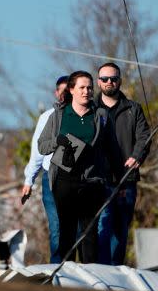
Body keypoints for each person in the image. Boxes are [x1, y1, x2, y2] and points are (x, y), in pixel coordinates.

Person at [37, 71, 119, 264]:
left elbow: (111, 148)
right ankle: (65, 276)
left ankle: (88, 281)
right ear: (71, 90)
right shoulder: (58, 115)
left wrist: (115, 177)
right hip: (64, 180)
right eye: (82, 87)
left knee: (90, 233)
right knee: (67, 232)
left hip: (92, 181)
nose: (86, 91)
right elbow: (42, 145)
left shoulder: (100, 115)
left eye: (90, 87)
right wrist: (57, 141)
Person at [95, 62, 151, 265]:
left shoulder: (133, 109)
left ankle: (116, 272)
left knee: (120, 230)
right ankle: (101, 273)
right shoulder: (91, 110)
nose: (109, 82)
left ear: (120, 80)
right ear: (98, 81)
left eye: (113, 78)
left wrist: (137, 155)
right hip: (99, 180)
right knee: (102, 227)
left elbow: (145, 136)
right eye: (104, 79)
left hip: (126, 180)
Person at [20, 75, 69, 263]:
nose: (64, 95)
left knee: (78, 227)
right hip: (51, 178)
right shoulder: (47, 117)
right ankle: (57, 268)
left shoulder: (84, 115)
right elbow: (37, 152)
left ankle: (77, 269)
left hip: (77, 179)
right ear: (56, 93)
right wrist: (28, 181)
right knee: (56, 226)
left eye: (68, 90)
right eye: (61, 91)